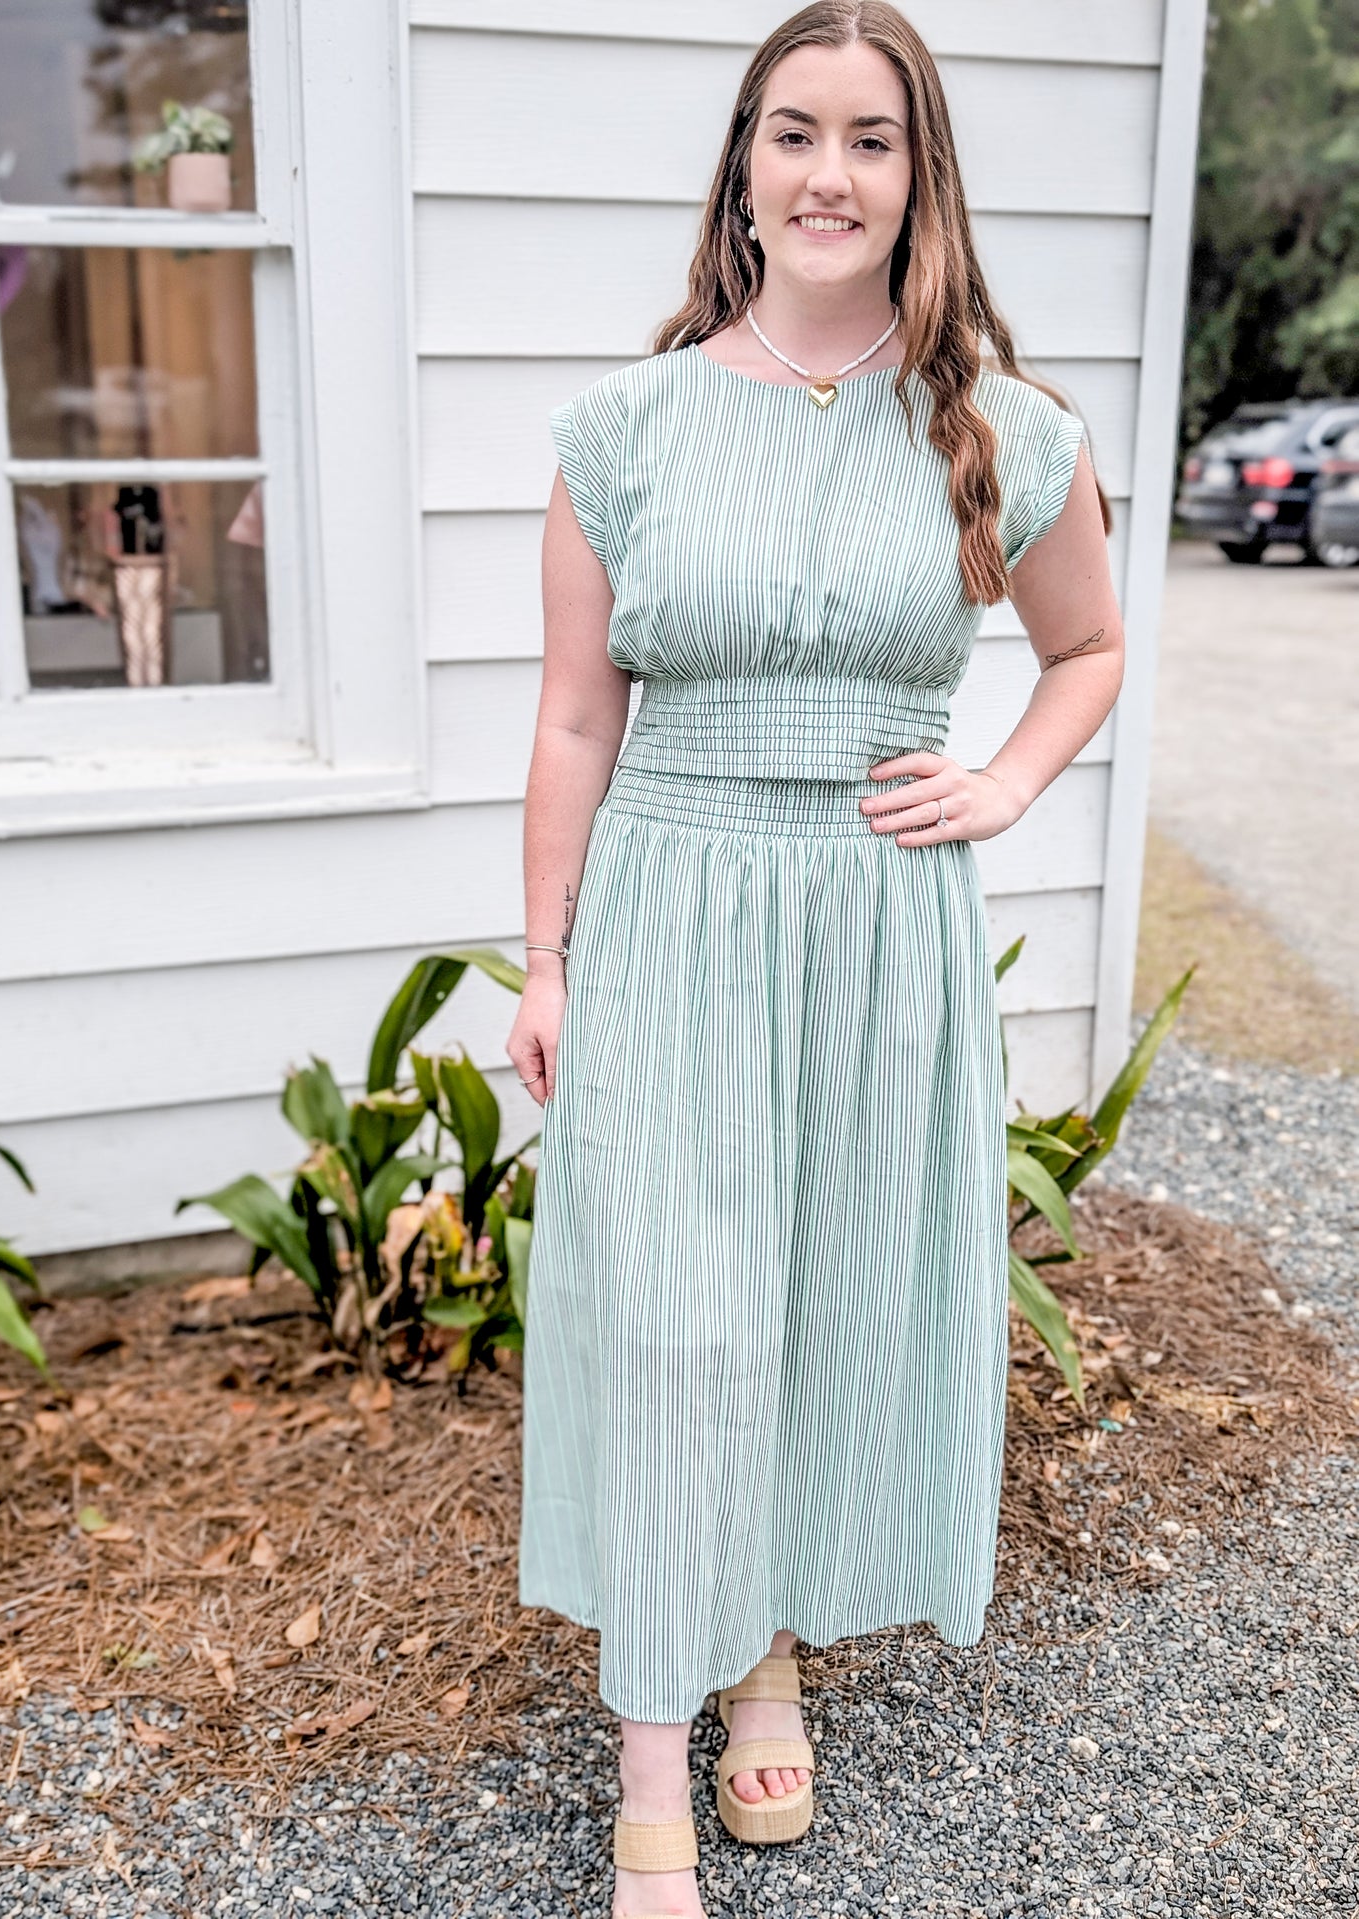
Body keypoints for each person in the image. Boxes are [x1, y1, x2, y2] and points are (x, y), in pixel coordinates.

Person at [505, 5, 1124, 1915]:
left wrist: (1005, 784)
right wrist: (544, 962)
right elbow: (570, 725)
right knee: (673, 1321)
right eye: (793, 134)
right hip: (676, 911)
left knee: (828, 1294)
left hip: (874, 924)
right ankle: (647, 1763)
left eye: (869, 140)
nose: (827, 175)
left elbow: (1086, 651)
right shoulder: (626, 425)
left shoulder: (1005, 433)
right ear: (744, 167)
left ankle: (763, 1636)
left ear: (917, 177)